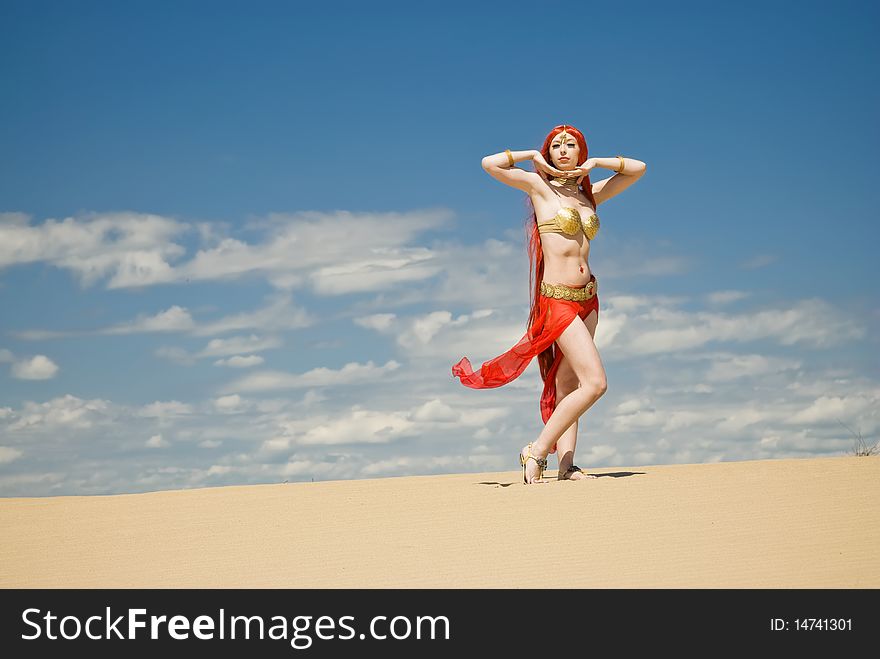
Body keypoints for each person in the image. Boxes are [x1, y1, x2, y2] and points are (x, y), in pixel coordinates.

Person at [451, 125, 646, 484]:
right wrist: (531, 156)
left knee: (569, 384)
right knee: (596, 383)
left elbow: (637, 169)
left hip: (588, 298)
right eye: (556, 145)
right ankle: (537, 450)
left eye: (571, 144)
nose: (562, 150)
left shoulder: (591, 195)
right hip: (557, 300)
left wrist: (596, 164)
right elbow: (489, 164)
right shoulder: (539, 188)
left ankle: (567, 466)